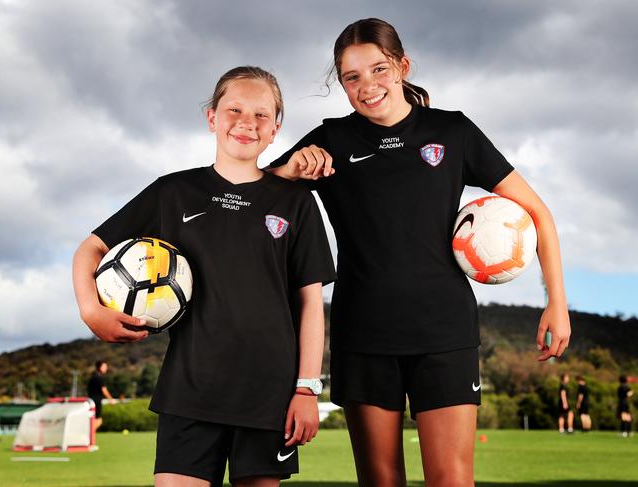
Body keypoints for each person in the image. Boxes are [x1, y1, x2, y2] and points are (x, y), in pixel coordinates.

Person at [269, 18, 571, 486]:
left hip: (444, 333)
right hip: (363, 335)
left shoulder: (453, 132)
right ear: (342, 83)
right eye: (352, 77)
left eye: (379, 70)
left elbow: (537, 212)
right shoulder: (330, 139)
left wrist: (556, 301)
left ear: (403, 66)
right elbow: (254, 200)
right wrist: (288, 171)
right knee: (381, 481)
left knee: (451, 479)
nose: (367, 86)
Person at [73, 66, 336, 487]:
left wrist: (307, 389)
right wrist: (91, 310)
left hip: (268, 396)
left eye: (261, 115)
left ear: (276, 130)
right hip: (190, 391)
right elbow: (91, 249)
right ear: (212, 117)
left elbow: (310, 304)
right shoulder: (172, 192)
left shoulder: (297, 202)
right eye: (234, 109)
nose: (246, 122)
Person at [87, 360, 115, 435]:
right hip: (96, 402)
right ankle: (88, 435)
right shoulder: (98, 378)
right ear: (99, 367)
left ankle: (89, 437)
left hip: (90, 401)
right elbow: (104, 390)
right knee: (98, 421)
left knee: (93, 420)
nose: (106, 368)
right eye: (104, 367)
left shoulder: (93, 377)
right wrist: (110, 399)